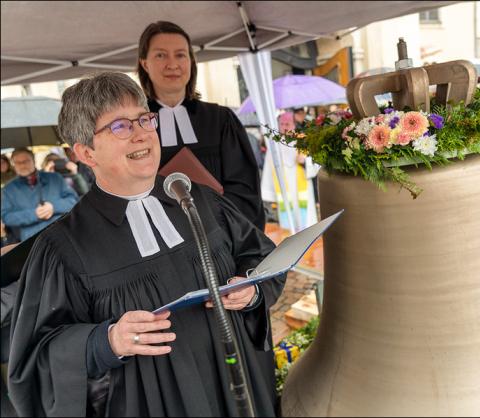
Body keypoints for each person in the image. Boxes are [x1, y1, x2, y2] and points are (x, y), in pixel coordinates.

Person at [8, 72, 286, 417]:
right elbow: (35, 360)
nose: (142, 133)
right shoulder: (63, 247)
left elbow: (260, 257)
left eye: (144, 119)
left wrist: (250, 290)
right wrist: (106, 340)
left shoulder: (198, 198)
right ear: (85, 153)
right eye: (120, 126)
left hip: (236, 387)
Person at [137, 21, 266, 231]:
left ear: (191, 61)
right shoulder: (135, 127)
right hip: (164, 240)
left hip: (223, 233)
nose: (172, 64)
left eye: (180, 55)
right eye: (160, 55)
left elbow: (244, 189)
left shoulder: (220, 119)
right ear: (144, 63)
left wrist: (216, 225)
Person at [1, 148, 78, 241]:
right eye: (17, 162)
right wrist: (34, 214)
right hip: (33, 240)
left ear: (33, 160)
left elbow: (73, 200)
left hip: (64, 232)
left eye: (26, 161)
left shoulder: (55, 178)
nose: (22, 165)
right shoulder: (8, 190)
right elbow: (7, 217)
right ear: (13, 164)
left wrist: (53, 207)